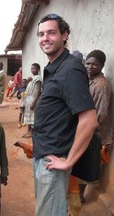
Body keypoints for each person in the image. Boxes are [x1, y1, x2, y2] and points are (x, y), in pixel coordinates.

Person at [33, 14, 97, 216]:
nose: (45, 38)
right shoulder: (55, 67)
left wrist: (68, 161)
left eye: (52, 33)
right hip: (45, 155)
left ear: (64, 35)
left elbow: (89, 120)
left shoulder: (70, 69)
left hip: (54, 160)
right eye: (42, 34)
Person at [79, 49, 113, 203]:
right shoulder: (89, 80)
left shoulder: (102, 86)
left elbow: (101, 114)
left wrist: (85, 129)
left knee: (86, 163)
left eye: (95, 64)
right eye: (88, 63)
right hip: (88, 128)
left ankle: (79, 196)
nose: (90, 66)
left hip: (96, 132)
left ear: (102, 66)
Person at [22, 63, 42, 138]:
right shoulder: (33, 78)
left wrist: (34, 102)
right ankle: (28, 131)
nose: (32, 70)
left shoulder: (38, 78)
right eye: (31, 69)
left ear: (38, 69)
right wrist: (28, 81)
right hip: (29, 99)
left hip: (33, 99)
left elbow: (38, 91)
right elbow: (29, 88)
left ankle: (32, 132)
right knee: (28, 116)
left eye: (34, 68)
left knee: (32, 116)